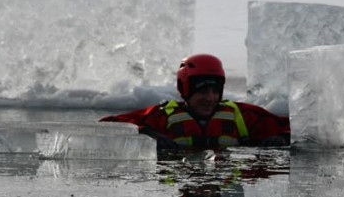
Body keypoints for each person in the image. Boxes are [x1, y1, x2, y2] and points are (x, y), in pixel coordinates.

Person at [100, 54, 290, 151]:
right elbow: (108, 125)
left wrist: (282, 138)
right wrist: (148, 134)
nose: (210, 98)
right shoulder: (162, 116)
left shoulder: (243, 115)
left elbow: (293, 126)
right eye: (202, 91)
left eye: (215, 91)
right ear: (185, 90)